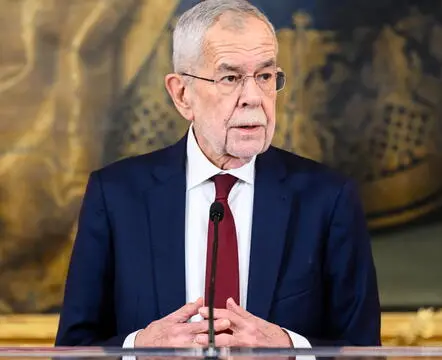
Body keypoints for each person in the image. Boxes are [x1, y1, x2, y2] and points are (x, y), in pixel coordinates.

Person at [54, 0, 381, 348]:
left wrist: (291, 348)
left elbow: (363, 352)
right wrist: (138, 347)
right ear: (182, 95)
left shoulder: (328, 199)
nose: (253, 97)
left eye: (266, 76)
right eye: (230, 78)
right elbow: (73, 350)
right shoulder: (116, 195)